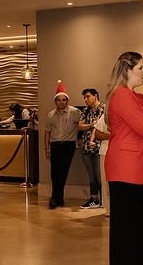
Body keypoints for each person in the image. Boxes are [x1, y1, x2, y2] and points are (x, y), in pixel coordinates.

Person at [103, 51, 143, 265]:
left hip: (137, 167)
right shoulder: (122, 96)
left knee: (136, 229)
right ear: (127, 70)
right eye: (140, 68)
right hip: (126, 169)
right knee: (127, 231)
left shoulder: (135, 96)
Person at [43, 81, 81, 209]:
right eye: (59, 100)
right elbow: (47, 132)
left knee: (63, 172)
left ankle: (55, 198)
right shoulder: (50, 114)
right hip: (55, 146)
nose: (61, 102)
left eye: (64, 100)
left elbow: (81, 126)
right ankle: (58, 198)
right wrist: (46, 148)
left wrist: (80, 138)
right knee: (54, 173)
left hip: (68, 146)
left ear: (67, 100)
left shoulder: (75, 112)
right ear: (55, 101)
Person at [77, 88, 105, 209]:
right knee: (91, 175)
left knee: (100, 175)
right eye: (84, 97)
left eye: (88, 96)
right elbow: (80, 126)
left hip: (99, 146)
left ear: (95, 96)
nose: (86, 99)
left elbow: (101, 125)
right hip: (86, 147)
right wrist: (90, 125)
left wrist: (92, 126)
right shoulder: (86, 110)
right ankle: (94, 198)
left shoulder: (103, 108)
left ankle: (104, 199)